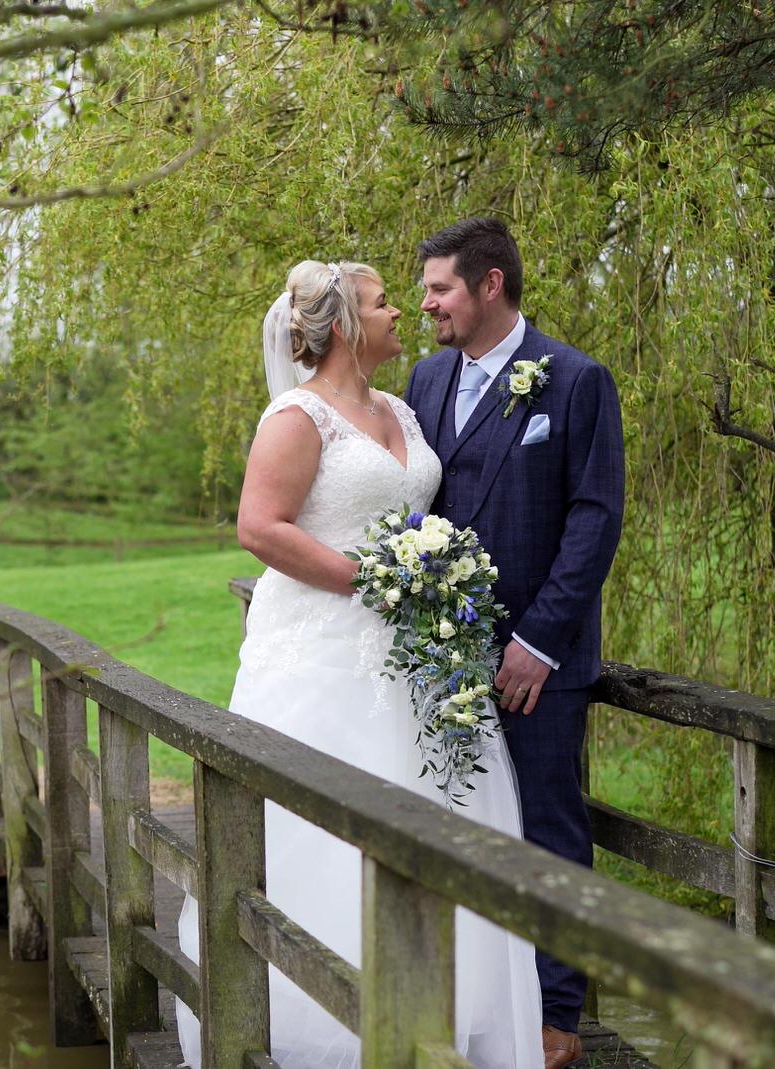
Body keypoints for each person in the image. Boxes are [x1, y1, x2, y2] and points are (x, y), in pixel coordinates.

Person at [174, 259, 542, 1069]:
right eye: (383, 303)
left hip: (419, 653)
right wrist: (374, 579)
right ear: (344, 323)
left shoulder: (402, 410)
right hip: (325, 651)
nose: (401, 312)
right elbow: (259, 526)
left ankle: (440, 1019)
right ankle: (324, 1028)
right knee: (325, 827)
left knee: (438, 809)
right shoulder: (296, 417)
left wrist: (435, 577)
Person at [406, 217, 626, 1069]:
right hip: (441, 660)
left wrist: (538, 641)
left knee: (547, 829)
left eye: (440, 289)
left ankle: (557, 1016)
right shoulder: (426, 380)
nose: (427, 304)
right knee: (452, 820)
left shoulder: (573, 381)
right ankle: (470, 998)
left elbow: (594, 519)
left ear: (489, 285)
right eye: (423, 291)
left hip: (538, 666)